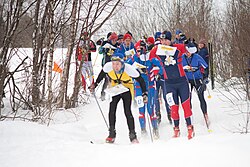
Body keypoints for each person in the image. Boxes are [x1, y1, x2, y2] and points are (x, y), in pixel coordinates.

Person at [89, 52, 148, 143]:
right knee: (112, 109)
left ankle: (133, 135)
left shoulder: (129, 69)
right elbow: (101, 76)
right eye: (113, 64)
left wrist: (144, 93)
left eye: (117, 64)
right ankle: (111, 134)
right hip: (115, 88)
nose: (115, 66)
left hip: (127, 88)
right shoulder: (108, 67)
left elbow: (141, 80)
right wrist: (95, 85)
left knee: (127, 111)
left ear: (122, 64)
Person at [150, 30, 194, 139]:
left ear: (170, 40)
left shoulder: (178, 47)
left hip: (182, 81)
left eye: (166, 40)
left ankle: (189, 127)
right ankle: (176, 129)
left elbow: (190, 50)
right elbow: (149, 57)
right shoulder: (158, 50)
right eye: (162, 40)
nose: (164, 42)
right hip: (169, 83)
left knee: (186, 106)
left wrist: (189, 49)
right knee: (173, 107)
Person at [127, 40, 163, 138]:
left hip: (150, 86)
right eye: (137, 50)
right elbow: (126, 66)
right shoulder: (134, 58)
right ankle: (143, 131)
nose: (138, 52)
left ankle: (155, 130)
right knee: (141, 109)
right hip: (138, 87)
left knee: (150, 109)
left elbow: (161, 66)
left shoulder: (150, 57)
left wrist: (156, 72)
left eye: (140, 50)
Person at [182, 42, 210, 124]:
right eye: (186, 52)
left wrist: (205, 78)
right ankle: (189, 116)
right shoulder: (182, 58)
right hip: (187, 80)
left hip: (197, 79)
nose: (188, 54)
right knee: (188, 98)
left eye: (189, 52)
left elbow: (206, 67)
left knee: (201, 97)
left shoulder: (197, 57)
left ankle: (205, 114)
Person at [98, 32, 119, 100]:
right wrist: (103, 48)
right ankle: (103, 94)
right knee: (106, 80)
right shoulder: (106, 44)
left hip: (114, 65)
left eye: (115, 40)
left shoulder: (117, 45)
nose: (114, 42)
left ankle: (114, 94)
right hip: (106, 64)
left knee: (113, 79)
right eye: (113, 40)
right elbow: (100, 51)